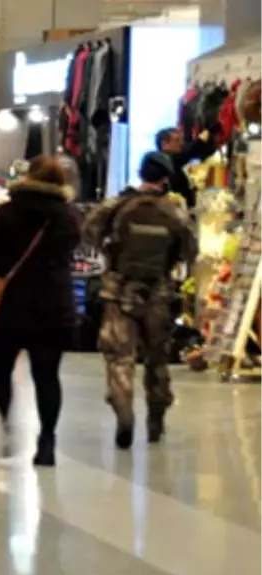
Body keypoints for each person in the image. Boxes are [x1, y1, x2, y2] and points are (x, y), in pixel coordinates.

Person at [0, 156, 80, 467]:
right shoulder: (68, 216)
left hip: (7, 305)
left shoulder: (7, 213)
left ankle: (8, 423)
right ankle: (47, 440)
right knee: (47, 375)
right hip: (52, 304)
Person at [84, 151, 197, 450]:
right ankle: (156, 417)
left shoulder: (118, 205)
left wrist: (111, 255)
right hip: (158, 295)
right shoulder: (174, 211)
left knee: (119, 357)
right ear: (165, 178)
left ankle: (123, 410)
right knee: (157, 360)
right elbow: (190, 248)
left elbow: (89, 231)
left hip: (119, 291)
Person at [156, 127, 215, 209]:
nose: (182, 144)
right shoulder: (167, 160)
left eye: (181, 140)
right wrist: (209, 131)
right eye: (177, 140)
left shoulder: (172, 161)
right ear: (164, 144)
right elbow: (190, 150)